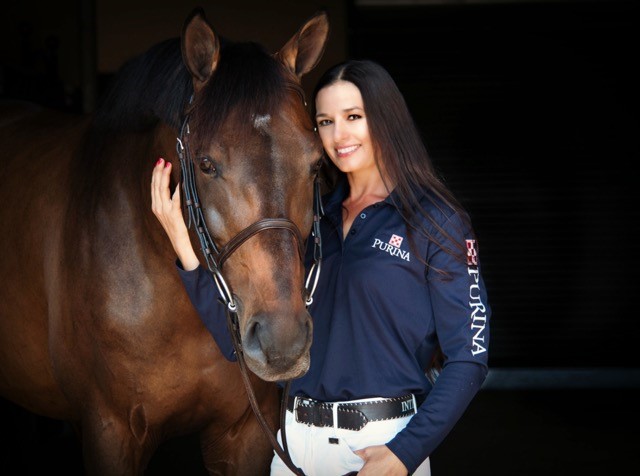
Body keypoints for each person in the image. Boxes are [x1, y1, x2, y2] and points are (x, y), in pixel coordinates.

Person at [151, 59, 490, 476]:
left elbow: (469, 358)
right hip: (297, 445)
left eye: (353, 117)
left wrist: (405, 453)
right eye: (326, 121)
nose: (338, 135)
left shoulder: (436, 222)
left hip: (382, 445)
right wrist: (182, 245)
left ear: (386, 119)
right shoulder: (313, 224)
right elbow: (239, 344)